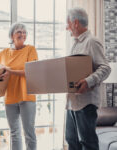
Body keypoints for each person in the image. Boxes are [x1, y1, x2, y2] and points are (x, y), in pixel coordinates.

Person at [65, 8, 111, 150]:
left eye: (68, 23)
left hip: (86, 104)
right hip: (72, 103)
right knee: (71, 140)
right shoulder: (76, 44)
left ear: (75, 23)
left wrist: (88, 81)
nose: (67, 27)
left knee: (88, 143)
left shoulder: (92, 42)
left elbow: (105, 68)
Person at [0, 22, 38, 150]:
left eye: (24, 32)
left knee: (29, 133)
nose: (22, 34)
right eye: (19, 32)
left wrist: (10, 71)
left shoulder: (30, 50)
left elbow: (31, 72)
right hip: (10, 97)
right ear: (12, 35)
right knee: (14, 133)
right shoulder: (5, 53)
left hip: (26, 96)